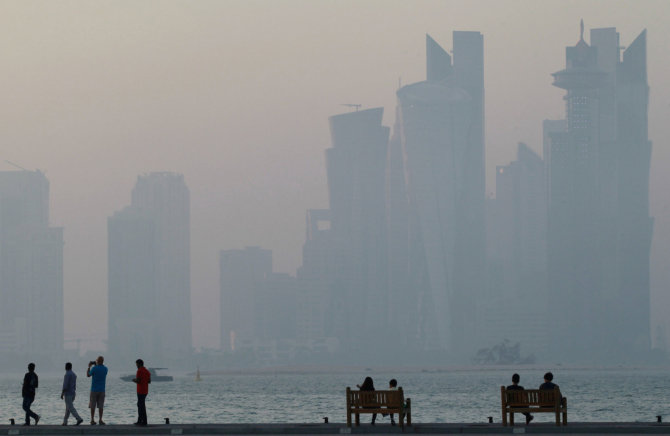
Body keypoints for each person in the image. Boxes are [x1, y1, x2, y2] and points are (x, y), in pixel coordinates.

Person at [87, 356, 108, 425]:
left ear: (97, 361)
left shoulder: (94, 368)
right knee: (101, 406)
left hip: (94, 390)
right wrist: (96, 364)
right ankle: (100, 420)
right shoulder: (105, 369)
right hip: (102, 390)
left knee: (93, 406)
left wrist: (89, 367)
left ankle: (92, 420)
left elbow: (88, 375)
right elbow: (100, 370)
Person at [132, 359, 151, 426]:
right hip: (145, 390)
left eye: (136, 364)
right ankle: (141, 420)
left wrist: (134, 380)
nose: (136, 365)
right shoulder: (147, 371)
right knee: (140, 404)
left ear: (139, 364)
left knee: (141, 406)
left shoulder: (139, 371)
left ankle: (143, 421)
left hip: (140, 390)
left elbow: (138, 381)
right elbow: (149, 381)